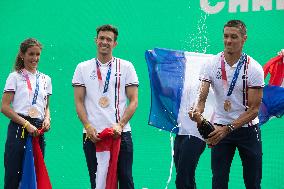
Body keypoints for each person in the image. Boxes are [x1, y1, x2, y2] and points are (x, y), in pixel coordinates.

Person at [189, 20, 264, 189]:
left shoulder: (254, 68)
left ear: (244, 39)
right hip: (219, 130)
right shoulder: (210, 64)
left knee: (253, 182)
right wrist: (197, 112)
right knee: (218, 182)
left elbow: (254, 110)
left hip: (247, 130)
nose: (228, 41)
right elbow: (201, 99)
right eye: (226, 36)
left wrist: (228, 128)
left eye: (234, 37)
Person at [72, 24, 138, 189]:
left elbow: (134, 100)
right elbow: (79, 101)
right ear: (96, 40)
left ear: (115, 43)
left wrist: (120, 125)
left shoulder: (126, 67)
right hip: (93, 136)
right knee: (98, 183)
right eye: (101, 38)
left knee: (125, 181)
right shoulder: (82, 68)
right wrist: (87, 126)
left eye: (109, 39)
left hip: (120, 134)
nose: (104, 42)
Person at [1, 38, 52, 189]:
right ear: (22, 55)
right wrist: (26, 124)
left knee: (35, 174)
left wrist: (47, 118)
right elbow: (4, 107)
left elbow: (46, 106)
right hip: (20, 128)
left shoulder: (46, 79)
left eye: (37, 54)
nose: (35, 58)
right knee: (14, 174)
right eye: (31, 54)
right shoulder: (15, 77)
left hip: (38, 130)